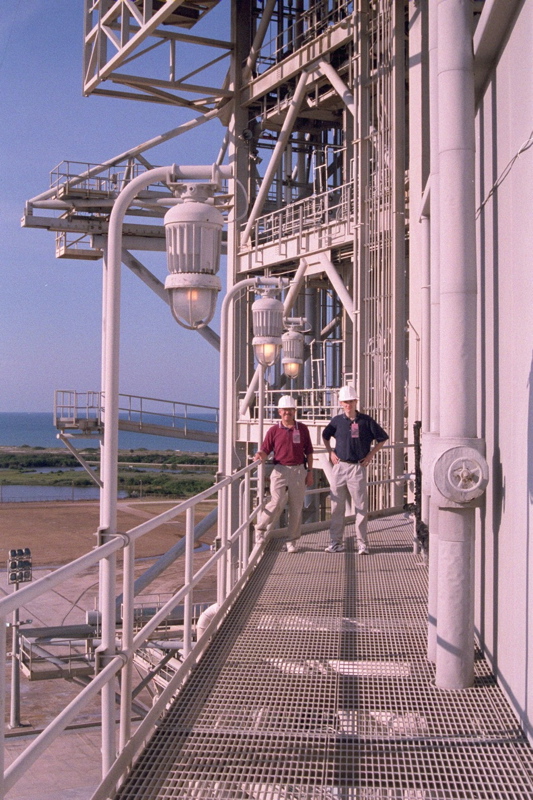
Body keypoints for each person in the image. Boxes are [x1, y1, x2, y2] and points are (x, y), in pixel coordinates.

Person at [322, 385, 388, 554]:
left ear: (356, 401)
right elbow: (325, 435)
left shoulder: (366, 421)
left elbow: (382, 438)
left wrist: (371, 455)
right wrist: (330, 452)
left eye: (351, 401)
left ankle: (362, 543)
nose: (348, 405)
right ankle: (336, 542)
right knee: (337, 507)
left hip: (357, 467)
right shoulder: (336, 421)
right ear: (341, 403)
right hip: (339, 466)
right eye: (345, 402)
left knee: (360, 507)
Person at [253, 395, 314, 552]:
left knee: (296, 507)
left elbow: (309, 452)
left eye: (290, 410)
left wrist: (310, 472)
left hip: (299, 470)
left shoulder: (302, 429)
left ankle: (291, 541)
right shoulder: (274, 430)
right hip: (280, 470)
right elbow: (266, 449)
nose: (287, 412)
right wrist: (260, 455)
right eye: (284, 410)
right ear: (279, 412)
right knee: (277, 501)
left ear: (294, 411)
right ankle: (259, 529)